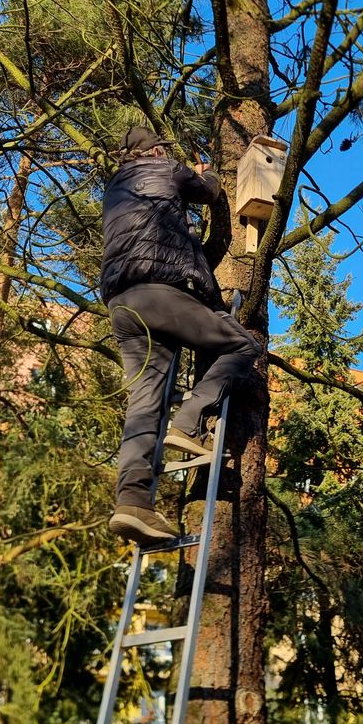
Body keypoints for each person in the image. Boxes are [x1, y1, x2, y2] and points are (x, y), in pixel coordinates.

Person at [101, 125, 261, 545]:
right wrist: (204, 172)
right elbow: (208, 191)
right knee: (244, 345)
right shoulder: (166, 168)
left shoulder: (113, 188)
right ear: (154, 151)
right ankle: (188, 422)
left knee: (144, 402)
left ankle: (132, 502)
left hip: (121, 303)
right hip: (160, 292)